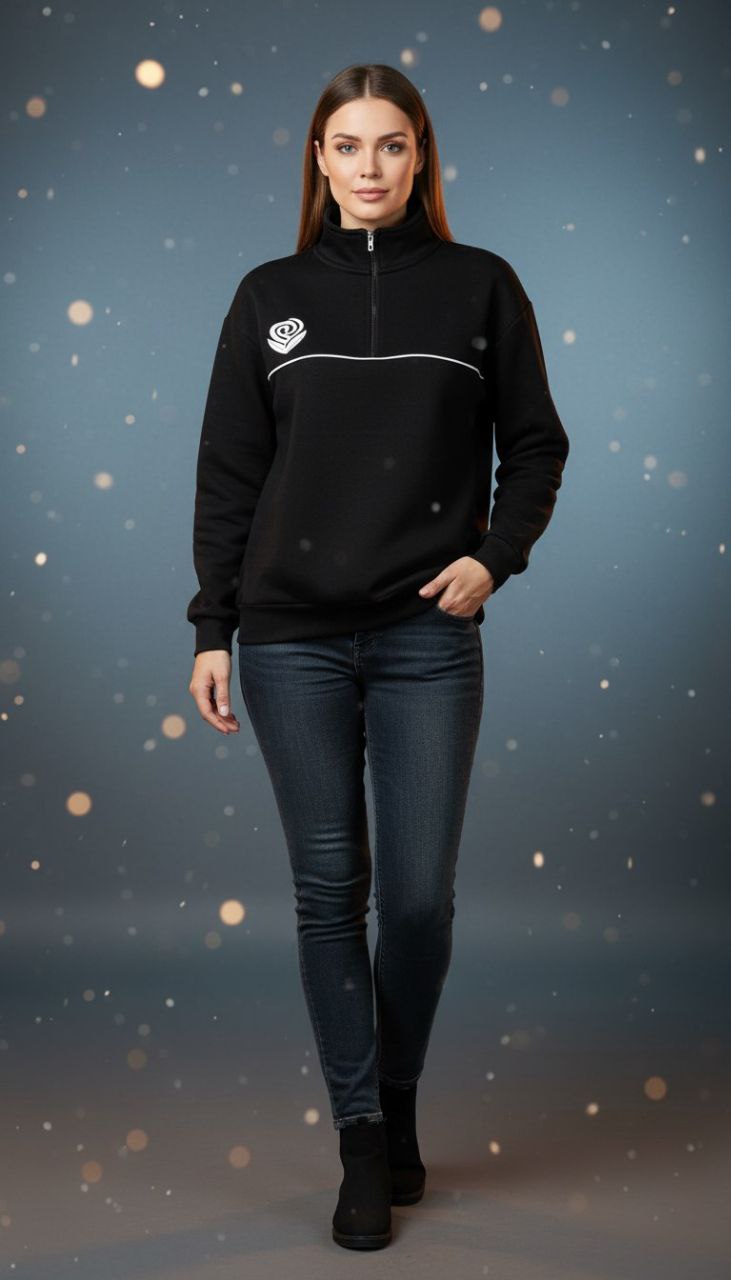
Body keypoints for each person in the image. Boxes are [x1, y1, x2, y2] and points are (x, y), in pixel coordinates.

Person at [187, 63, 570, 1251]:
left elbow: (536, 445)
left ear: (419, 158)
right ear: (318, 159)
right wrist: (211, 625)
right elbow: (229, 474)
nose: (368, 167)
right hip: (288, 638)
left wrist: (494, 558)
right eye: (347, 146)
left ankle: (395, 1094)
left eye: (390, 145)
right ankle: (361, 1136)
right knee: (326, 891)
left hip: (423, 637)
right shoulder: (268, 296)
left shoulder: (479, 285)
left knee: (413, 899)